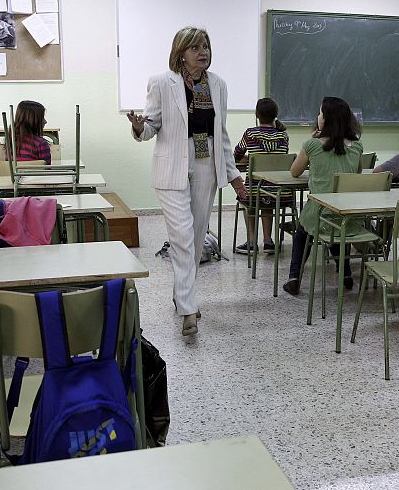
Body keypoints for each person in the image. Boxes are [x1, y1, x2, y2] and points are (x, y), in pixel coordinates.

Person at [126, 26, 246, 336]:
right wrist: (140, 128)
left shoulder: (218, 85)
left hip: (206, 164)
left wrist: (234, 177)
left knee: (194, 238)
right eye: (194, 47)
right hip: (171, 169)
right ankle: (188, 309)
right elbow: (152, 126)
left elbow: (221, 135)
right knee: (181, 237)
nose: (202, 51)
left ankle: (183, 295)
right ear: (181, 52)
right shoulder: (161, 83)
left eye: (205, 45)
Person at [283, 96, 363, 296]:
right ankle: (345, 273)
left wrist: (311, 142)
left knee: (302, 232)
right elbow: (357, 173)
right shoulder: (357, 146)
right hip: (347, 214)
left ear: (326, 119)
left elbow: (294, 172)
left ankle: (294, 277)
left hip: (319, 213)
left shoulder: (312, 145)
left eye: (320, 113)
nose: (317, 116)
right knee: (336, 231)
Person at [233, 98, 290, 255]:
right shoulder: (283, 136)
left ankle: (252, 241)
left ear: (257, 115)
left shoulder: (250, 133)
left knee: (249, 197)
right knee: (267, 200)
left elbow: (236, 155)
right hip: (279, 192)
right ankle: (268, 241)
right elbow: (278, 159)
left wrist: (251, 159)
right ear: (275, 115)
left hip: (254, 189)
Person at [6, 100, 51, 164]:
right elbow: (47, 170)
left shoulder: (10, 141)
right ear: (33, 120)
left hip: (11, 174)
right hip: (34, 174)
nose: (45, 121)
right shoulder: (41, 144)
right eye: (42, 118)